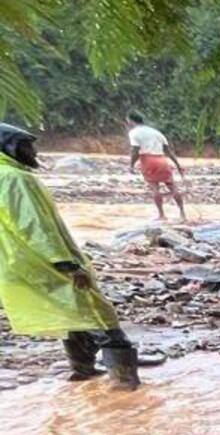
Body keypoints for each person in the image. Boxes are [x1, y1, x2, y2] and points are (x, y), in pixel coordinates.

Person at [0, 122, 141, 389]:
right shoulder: (16, 179)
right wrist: (66, 264)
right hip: (44, 261)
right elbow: (34, 226)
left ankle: (82, 373)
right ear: (11, 147)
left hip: (17, 264)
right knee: (101, 317)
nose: (34, 152)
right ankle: (125, 386)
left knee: (71, 314)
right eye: (27, 146)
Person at [125, 112, 186, 222]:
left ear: (130, 121)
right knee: (172, 187)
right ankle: (182, 214)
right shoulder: (156, 132)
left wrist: (131, 165)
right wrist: (178, 165)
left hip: (148, 160)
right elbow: (168, 150)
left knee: (155, 189)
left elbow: (135, 150)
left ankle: (162, 215)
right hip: (162, 160)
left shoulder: (133, 133)